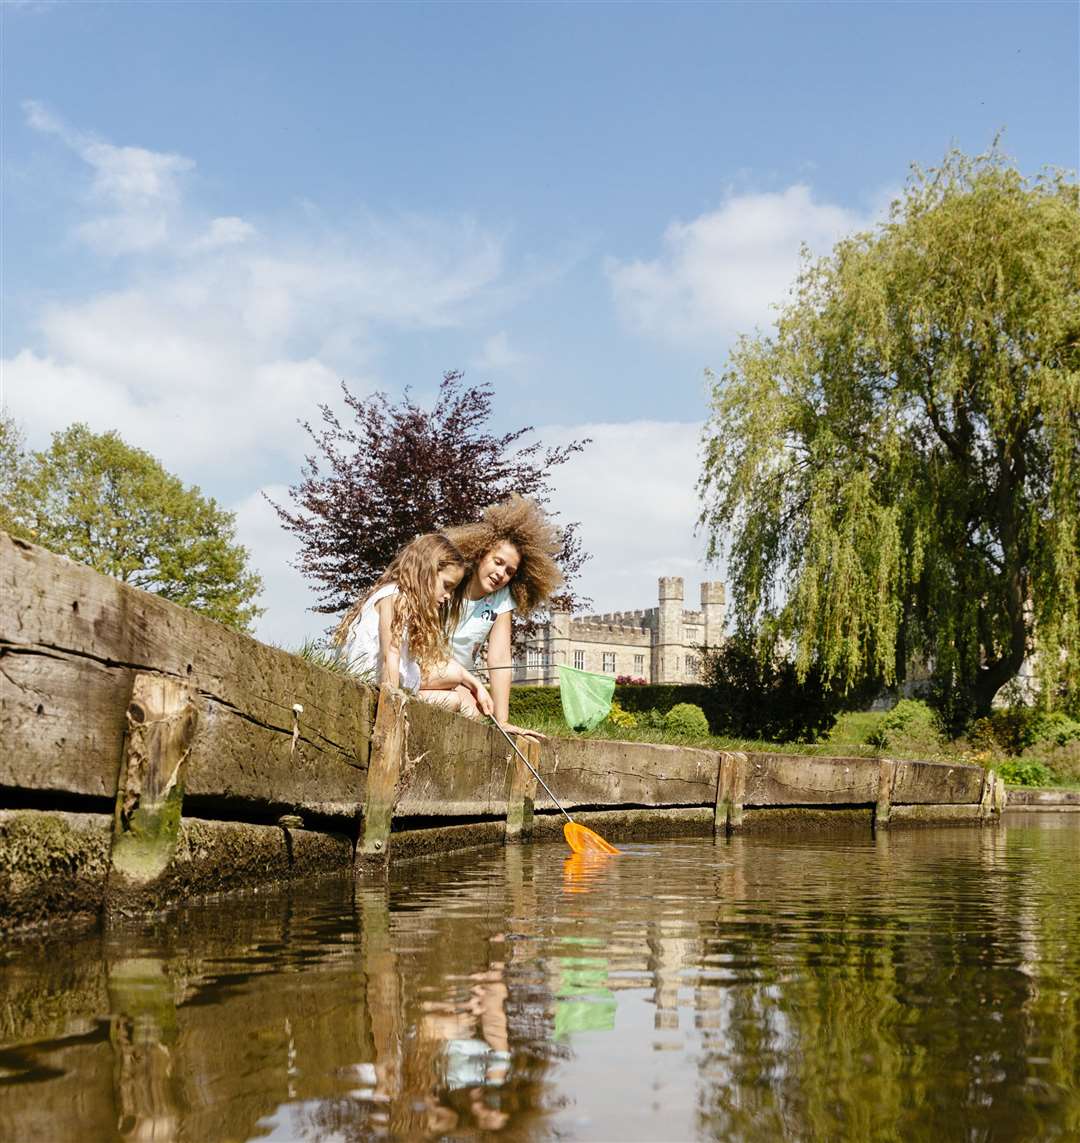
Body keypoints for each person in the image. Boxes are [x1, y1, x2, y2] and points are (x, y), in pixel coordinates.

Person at [333, 533, 494, 716]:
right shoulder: (396, 597)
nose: (448, 595)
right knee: (453, 689)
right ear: (427, 572)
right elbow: (389, 657)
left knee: (455, 693)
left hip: (384, 680)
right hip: (372, 682)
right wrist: (390, 710)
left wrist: (477, 686)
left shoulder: (403, 598)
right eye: (446, 585)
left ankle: (474, 686)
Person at [444, 495, 564, 737]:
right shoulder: (451, 581)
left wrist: (503, 720)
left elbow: (499, 658)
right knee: (450, 704)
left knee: (476, 718)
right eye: (497, 562)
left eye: (509, 571)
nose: (501, 573)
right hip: (427, 667)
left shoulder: (502, 599)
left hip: (458, 678)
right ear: (480, 554)